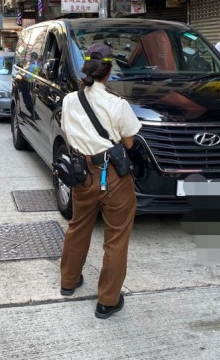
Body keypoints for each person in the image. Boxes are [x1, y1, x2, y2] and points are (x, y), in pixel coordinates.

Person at [59, 43, 142, 319]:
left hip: (81, 173)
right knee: (116, 237)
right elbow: (129, 141)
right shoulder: (117, 104)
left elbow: (67, 132)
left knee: (78, 226)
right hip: (114, 176)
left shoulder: (70, 100)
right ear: (108, 72)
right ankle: (107, 301)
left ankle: (69, 282)